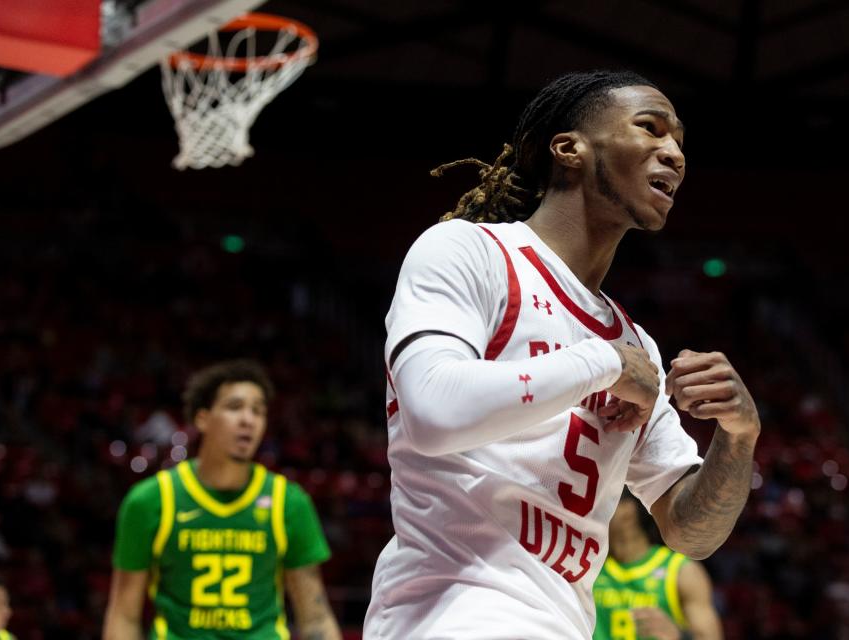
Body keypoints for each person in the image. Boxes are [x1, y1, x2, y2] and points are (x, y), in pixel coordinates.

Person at [363, 70, 761, 640]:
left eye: (679, 142)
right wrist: (602, 364)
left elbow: (691, 532)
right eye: (650, 128)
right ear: (568, 148)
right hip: (453, 616)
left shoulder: (635, 344)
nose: (673, 153)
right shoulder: (469, 250)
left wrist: (739, 436)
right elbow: (431, 413)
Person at [103, 359, 341, 640]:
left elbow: (315, 617)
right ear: (202, 418)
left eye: (258, 411)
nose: (248, 420)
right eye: (234, 407)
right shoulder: (150, 501)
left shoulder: (288, 502)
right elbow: (123, 615)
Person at [593, 493, 722, 640]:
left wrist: (680, 636)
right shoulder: (589, 566)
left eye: (601, 506)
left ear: (627, 511)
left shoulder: (680, 570)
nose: (593, 514)